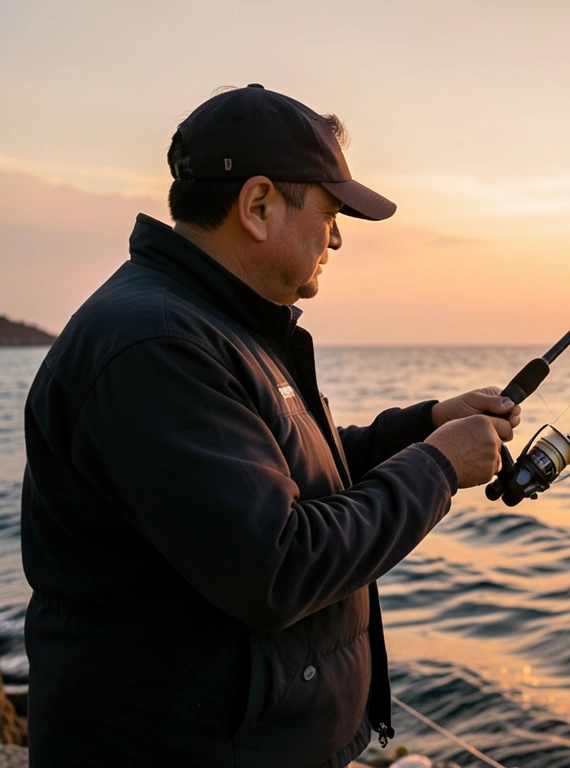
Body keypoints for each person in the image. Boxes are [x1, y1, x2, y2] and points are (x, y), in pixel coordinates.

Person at [21, 84, 519, 767]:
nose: (338, 237)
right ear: (257, 206)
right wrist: (437, 466)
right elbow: (276, 563)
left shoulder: (208, 323)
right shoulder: (156, 344)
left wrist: (428, 425)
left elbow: (281, 475)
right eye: (330, 211)